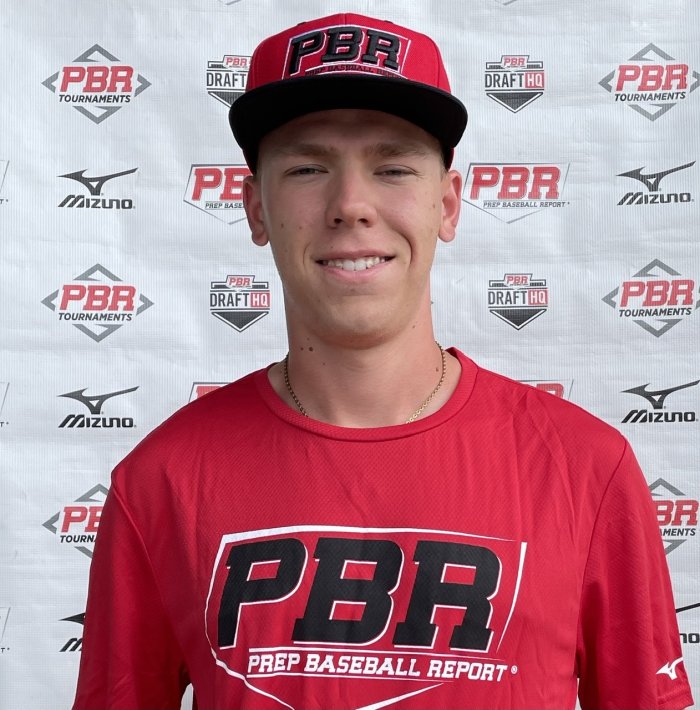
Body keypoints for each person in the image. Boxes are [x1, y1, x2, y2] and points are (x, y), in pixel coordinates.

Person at [73, 12, 694, 710]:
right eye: (308, 168)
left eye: (393, 167)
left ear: (447, 205)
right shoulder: (161, 481)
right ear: (255, 209)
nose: (351, 205)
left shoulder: (586, 469)